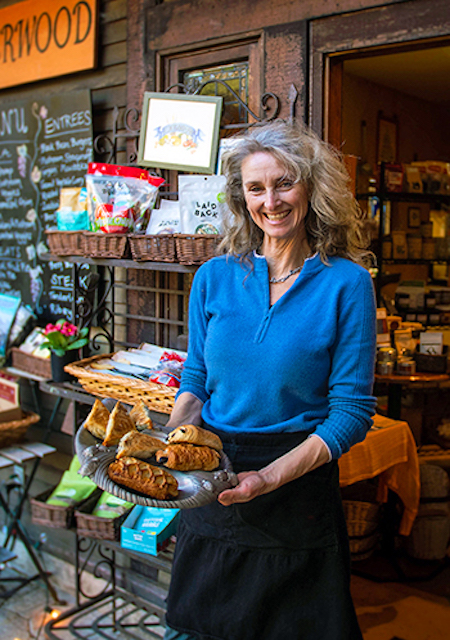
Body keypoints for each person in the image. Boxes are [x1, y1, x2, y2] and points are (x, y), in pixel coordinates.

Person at [163, 119, 377, 640]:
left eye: (284, 183)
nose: (271, 201)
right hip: (214, 475)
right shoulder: (213, 276)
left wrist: (270, 478)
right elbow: (196, 375)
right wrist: (169, 443)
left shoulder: (347, 284)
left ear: (310, 188)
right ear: (242, 198)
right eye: (256, 188)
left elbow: (351, 412)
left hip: (297, 489)